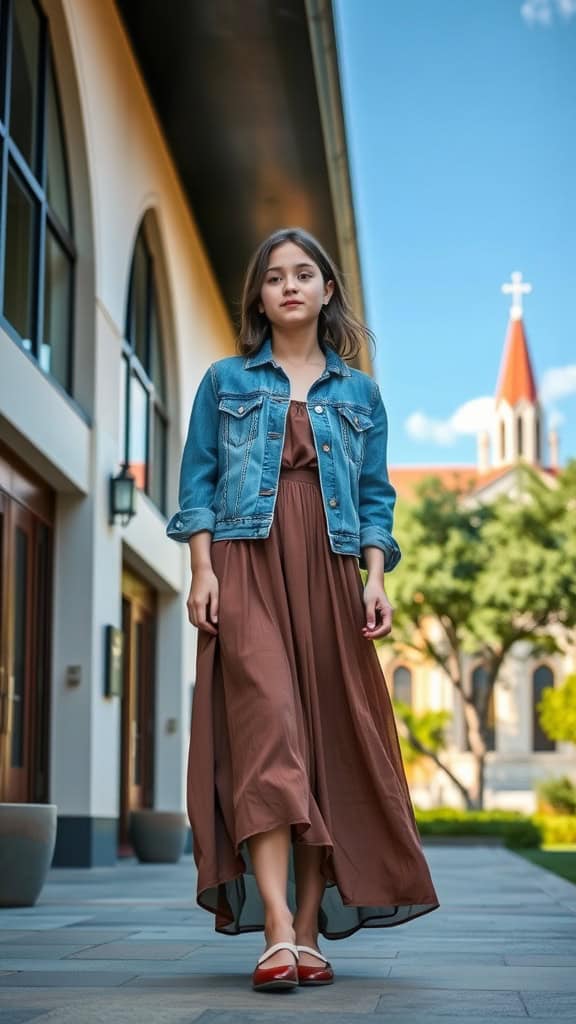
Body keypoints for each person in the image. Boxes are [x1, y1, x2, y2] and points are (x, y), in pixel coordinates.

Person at [166, 227, 439, 992]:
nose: (288, 285)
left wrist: (376, 578)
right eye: (273, 276)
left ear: (327, 291)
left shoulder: (361, 394)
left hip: (329, 569)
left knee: (326, 747)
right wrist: (200, 569)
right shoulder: (224, 380)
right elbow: (197, 483)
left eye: (303, 274)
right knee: (270, 736)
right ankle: (277, 930)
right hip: (245, 564)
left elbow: (378, 497)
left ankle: (311, 932)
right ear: (259, 296)